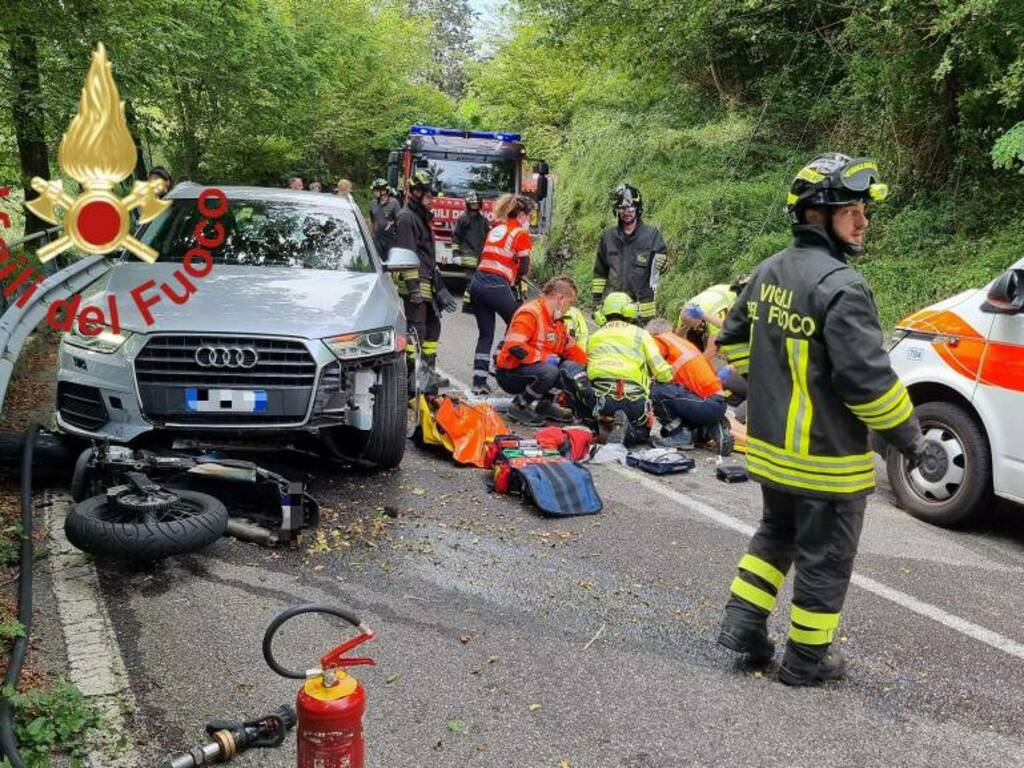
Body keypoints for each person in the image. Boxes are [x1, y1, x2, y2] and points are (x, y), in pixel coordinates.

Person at [715, 153, 933, 686]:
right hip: (827, 461)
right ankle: (806, 662)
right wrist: (910, 439)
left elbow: (734, 342)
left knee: (774, 536)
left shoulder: (768, 271)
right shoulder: (843, 286)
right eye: (850, 210)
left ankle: (742, 628)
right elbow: (868, 383)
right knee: (826, 561)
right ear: (816, 215)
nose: (863, 221)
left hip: (770, 453)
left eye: (863, 210)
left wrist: (776, 384)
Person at [495, 277, 592, 426]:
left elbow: (570, 349)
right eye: (570, 302)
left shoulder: (557, 321)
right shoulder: (530, 313)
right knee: (551, 371)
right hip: (510, 372)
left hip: (534, 368)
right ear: (560, 299)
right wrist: (544, 358)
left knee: (567, 369)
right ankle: (519, 406)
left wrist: (586, 369)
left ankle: (544, 406)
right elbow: (515, 347)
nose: (570, 307)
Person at [468, 193, 536, 395]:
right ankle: (499, 358)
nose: (529, 221)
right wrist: (517, 274)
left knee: (485, 333)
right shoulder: (520, 234)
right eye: (529, 217)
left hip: (477, 284)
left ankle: (479, 380)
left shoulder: (496, 229)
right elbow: (523, 267)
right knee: (518, 322)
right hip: (497, 285)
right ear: (522, 214)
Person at [586, 292, 672, 445]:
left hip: (602, 401)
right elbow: (663, 374)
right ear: (630, 310)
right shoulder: (641, 335)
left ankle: (599, 426)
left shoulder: (594, 337)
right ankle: (627, 431)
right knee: (643, 434)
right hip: (633, 403)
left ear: (602, 313)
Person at [394, 169, 450, 392]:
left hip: (427, 280)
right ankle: (411, 378)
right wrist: (414, 289)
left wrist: (439, 286)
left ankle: (427, 374)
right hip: (415, 284)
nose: (431, 202)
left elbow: (426, 254)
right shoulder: (407, 218)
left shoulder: (420, 217)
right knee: (417, 332)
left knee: (432, 328)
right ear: (416, 193)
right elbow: (407, 255)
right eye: (428, 197)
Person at [645, 318, 732, 453]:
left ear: (651, 334)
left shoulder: (659, 340)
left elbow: (649, 367)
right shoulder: (683, 344)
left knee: (656, 390)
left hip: (702, 403)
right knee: (675, 425)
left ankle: (680, 436)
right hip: (718, 403)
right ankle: (713, 426)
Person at [592, 184, 668, 322]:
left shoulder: (652, 236)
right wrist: (596, 304)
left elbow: (657, 272)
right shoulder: (608, 237)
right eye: (621, 208)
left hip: (641, 315)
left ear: (638, 207)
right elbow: (600, 273)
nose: (626, 212)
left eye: (630, 207)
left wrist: (663, 265)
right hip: (612, 312)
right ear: (616, 211)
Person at [452, 191, 490, 313]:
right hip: (467, 255)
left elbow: (487, 237)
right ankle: (467, 305)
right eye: (472, 204)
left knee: (477, 281)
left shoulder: (484, 220)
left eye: (477, 204)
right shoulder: (463, 219)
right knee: (472, 281)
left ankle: (472, 303)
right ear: (468, 204)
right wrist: (456, 254)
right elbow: (456, 237)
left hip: (479, 256)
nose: (475, 206)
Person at [369, 178, 401, 256]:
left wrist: (392, 224)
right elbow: (372, 220)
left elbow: (399, 222)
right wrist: (371, 234)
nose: (374, 192)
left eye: (376, 190)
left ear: (383, 191)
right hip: (377, 240)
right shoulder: (373, 203)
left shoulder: (394, 203)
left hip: (390, 241)